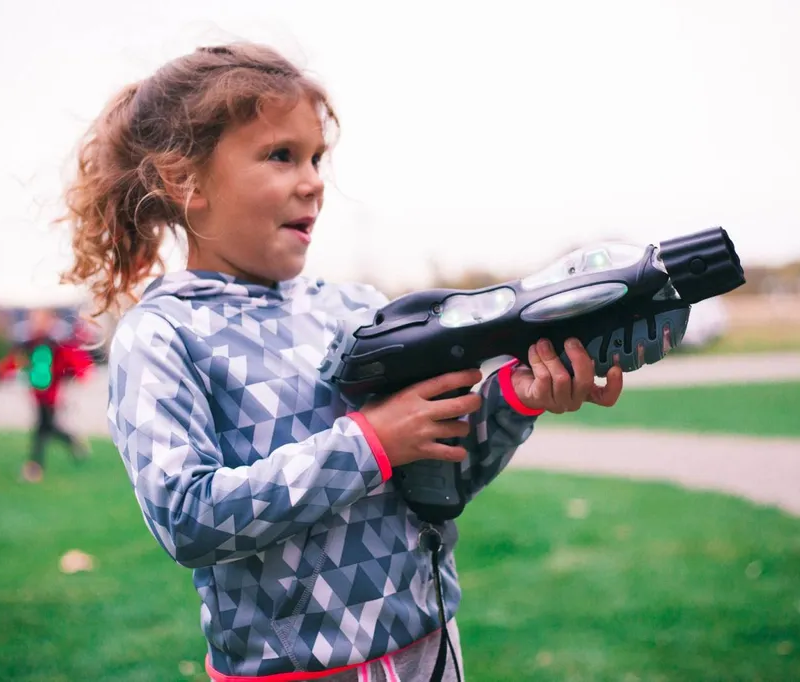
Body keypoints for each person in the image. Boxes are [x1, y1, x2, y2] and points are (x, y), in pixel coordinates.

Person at [58, 42, 624, 681]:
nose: (313, 181)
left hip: (433, 654)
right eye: (281, 156)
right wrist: (369, 443)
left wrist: (518, 400)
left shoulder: (360, 309)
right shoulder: (161, 336)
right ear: (184, 182)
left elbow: (443, 480)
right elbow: (187, 518)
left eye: (316, 158)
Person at [0, 308, 94, 482]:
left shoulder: (57, 344)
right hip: (37, 395)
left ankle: (35, 467)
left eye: (42, 320)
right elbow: (14, 362)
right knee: (47, 428)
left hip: (51, 396)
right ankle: (73, 443)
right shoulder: (29, 345)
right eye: (35, 320)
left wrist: (81, 374)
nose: (38, 323)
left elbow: (75, 360)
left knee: (41, 429)